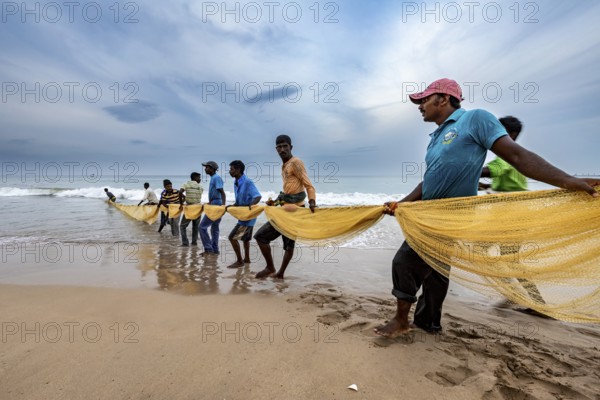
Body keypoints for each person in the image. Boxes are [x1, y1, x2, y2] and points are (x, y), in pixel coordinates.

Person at [374, 78, 599, 338]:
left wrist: (568, 180)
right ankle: (428, 323)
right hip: (430, 213)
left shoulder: (475, 119)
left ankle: (401, 320)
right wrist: (403, 203)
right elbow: (431, 178)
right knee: (435, 271)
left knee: (404, 262)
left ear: (443, 99)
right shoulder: (435, 137)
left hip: (453, 214)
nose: (420, 105)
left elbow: (517, 156)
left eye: (425, 99)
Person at [254, 135, 317, 279]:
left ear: (291, 147)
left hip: (295, 211)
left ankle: (280, 273)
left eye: (285, 146)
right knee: (261, 237)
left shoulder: (296, 163)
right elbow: (290, 189)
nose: (282, 149)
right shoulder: (285, 165)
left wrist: (312, 202)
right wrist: (276, 202)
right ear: (276, 149)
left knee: (288, 245)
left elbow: (309, 186)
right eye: (279, 147)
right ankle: (271, 268)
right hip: (284, 210)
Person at [226, 160, 262, 268]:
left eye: (231, 169)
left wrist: (249, 207)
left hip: (248, 217)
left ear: (238, 170)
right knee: (245, 239)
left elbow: (258, 196)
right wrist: (232, 206)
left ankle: (239, 261)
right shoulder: (236, 182)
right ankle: (247, 259)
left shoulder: (247, 182)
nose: (230, 171)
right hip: (243, 216)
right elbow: (238, 201)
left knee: (232, 238)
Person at [479, 116, 527, 192]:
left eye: (499, 131)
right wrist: (487, 186)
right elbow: (511, 184)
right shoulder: (516, 153)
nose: (494, 134)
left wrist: (468, 173)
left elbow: (492, 170)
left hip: (511, 201)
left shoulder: (508, 154)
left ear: (512, 135)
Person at [199, 161, 226, 255]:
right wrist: (210, 202)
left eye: (207, 167)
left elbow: (222, 192)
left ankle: (208, 249)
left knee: (202, 227)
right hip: (214, 202)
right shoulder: (213, 178)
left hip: (217, 204)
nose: (205, 169)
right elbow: (215, 192)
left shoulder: (216, 178)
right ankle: (215, 249)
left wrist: (223, 206)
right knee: (214, 228)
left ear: (212, 168)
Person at [179, 172, 204, 247]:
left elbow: (180, 192)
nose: (200, 179)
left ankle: (185, 243)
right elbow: (199, 195)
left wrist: (181, 203)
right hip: (198, 208)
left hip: (189, 208)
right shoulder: (200, 187)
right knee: (195, 226)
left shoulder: (186, 184)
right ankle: (194, 242)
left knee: (182, 226)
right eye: (199, 178)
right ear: (195, 177)